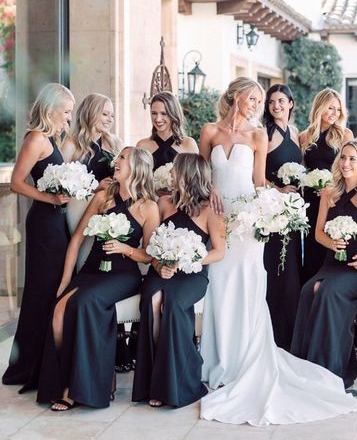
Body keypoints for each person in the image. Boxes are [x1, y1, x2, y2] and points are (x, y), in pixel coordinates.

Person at [199, 77, 357, 426]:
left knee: (247, 287)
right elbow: (202, 174)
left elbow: (258, 183)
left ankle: (245, 360)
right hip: (218, 220)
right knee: (220, 287)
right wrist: (207, 190)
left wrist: (276, 207)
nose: (256, 104)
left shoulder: (258, 136)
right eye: (252, 98)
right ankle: (218, 361)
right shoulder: (209, 131)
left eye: (260, 100)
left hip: (247, 224)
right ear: (234, 96)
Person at [36, 147, 159, 410]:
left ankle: (75, 389)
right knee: (57, 314)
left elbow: (149, 255)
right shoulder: (103, 197)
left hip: (123, 275)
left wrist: (124, 248)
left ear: (136, 167)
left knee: (83, 304)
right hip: (92, 270)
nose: (116, 162)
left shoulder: (148, 207)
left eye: (122, 158)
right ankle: (70, 380)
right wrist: (65, 280)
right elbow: (78, 238)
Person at [291, 139, 357, 391]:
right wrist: (332, 244)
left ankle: (336, 376)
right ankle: (308, 370)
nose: (346, 163)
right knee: (308, 292)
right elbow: (318, 233)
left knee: (328, 292)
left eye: (352, 159)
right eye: (343, 157)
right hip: (332, 263)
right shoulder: (329, 192)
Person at [132, 153, 225, 408]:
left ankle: (179, 382)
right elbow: (151, 245)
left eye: (175, 170)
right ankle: (154, 381)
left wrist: (187, 259)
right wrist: (161, 264)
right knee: (152, 301)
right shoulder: (163, 203)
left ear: (187, 175)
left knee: (171, 305)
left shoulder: (210, 209)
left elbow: (219, 251)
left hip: (193, 274)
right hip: (161, 269)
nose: (171, 174)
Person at [2, 83, 75, 392]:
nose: (68, 119)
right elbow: (17, 183)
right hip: (44, 224)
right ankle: (27, 367)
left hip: (55, 222)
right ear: (51, 109)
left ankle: (42, 361)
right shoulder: (36, 139)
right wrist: (51, 199)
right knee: (41, 290)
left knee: (50, 288)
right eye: (66, 112)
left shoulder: (51, 138)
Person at [263, 83, 302, 350]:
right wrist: (276, 189)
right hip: (272, 211)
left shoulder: (296, 132)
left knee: (292, 270)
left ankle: (292, 335)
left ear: (291, 103)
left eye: (281, 101)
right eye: (272, 102)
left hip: (293, 212)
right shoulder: (265, 132)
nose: (276, 106)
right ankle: (275, 334)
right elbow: (254, 172)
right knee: (277, 270)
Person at [299, 88, 353, 283]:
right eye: (330, 108)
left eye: (338, 110)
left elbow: (351, 167)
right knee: (313, 245)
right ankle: (309, 293)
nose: (334, 113)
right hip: (311, 200)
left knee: (331, 242)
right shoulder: (304, 136)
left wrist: (333, 186)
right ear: (319, 107)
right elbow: (302, 169)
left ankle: (330, 289)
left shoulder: (344, 134)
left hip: (334, 198)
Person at [62, 93, 122, 190]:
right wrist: (96, 188)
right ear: (90, 114)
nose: (110, 120)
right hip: (81, 204)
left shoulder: (115, 143)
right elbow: (61, 183)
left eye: (112, 116)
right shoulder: (71, 144)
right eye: (105, 114)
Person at [137, 92, 198, 175]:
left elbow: (196, 181)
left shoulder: (188, 144)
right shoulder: (142, 145)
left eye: (164, 113)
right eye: (154, 113)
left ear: (173, 114)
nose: (158, 119)